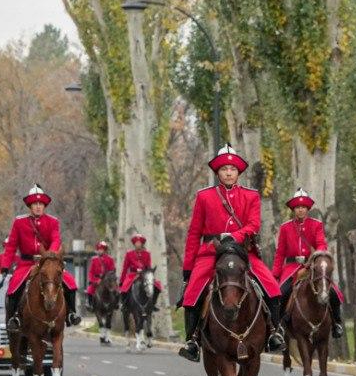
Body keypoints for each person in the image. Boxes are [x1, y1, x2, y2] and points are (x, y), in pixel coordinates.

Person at [178, 144, 285, 362]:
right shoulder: (204, 196)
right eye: (224, 168)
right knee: (193, 292)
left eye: (233, 169)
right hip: (211, 253)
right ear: (218, 172)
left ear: (238, 172)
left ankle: (274, 332)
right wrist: (188, 269)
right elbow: (194, 233)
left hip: (243, 251)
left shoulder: (251, 196)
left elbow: (254, 225)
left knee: (272, 287)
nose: (228, 172)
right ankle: (193, 340)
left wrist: (234, 237)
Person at [1, 184, 82, 331]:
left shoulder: (53, 221)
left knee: (70, 283)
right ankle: (14, 318)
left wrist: (49, 255)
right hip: (27, 263)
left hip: (48, 261)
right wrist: (5, 266)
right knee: (14, 287)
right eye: (35, 204)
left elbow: (56, 239)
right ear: (30, 206)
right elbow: (11, 246)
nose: (38, 206)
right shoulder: (19, 222)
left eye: (41, 204)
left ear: (44, 206)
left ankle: (71, 313)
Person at [272, 188, 344, 339]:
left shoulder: (316, 225)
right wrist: (275, 274)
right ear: (293, 209)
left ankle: (337, 323)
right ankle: (278, 329)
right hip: (291, 268)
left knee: (334, 292)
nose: (301, 210)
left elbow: (321, 244)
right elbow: (280, 253)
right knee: (280, 293)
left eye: (303, 207)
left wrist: (318, 257)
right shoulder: (285, 227)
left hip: (311, 266)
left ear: (308, 209)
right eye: (298, 207)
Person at [119, 233, 162, 320]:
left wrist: (146, 272)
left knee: (157, 286)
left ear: (142, 244)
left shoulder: (147, 254)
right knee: (124, 287)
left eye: (139, 242)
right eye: (136, 242)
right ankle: (124, 304)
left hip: (145, 274)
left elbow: (148, 266)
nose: (138, 244)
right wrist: (122, 280)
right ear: (134, 244)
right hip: (133, 275)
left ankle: (153, 304)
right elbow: (125, 268)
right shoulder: (129, 254)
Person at [86, 241, 116, 309]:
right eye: (99, 249)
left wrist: (107, 277)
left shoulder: (110, 259)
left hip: (107, 279)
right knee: (89, 290)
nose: (100, 251)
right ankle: (89, 304)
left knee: (115, 290)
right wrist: (94, 281)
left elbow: (112, 270)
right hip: (96, 280)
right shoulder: (94, 259)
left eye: (102, 249)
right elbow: (91, 272)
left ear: (105, 250)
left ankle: (116, 304)